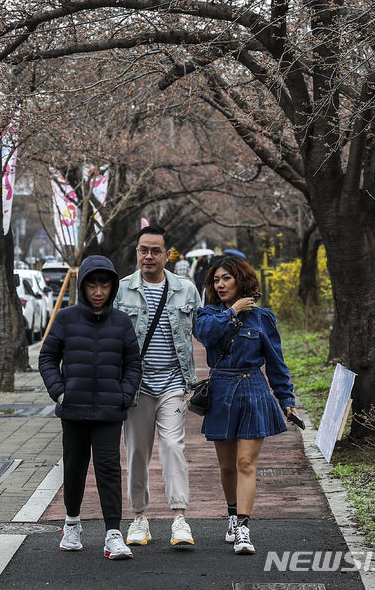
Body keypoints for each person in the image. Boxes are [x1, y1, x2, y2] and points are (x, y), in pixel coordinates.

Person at [39, 255, 142, 559]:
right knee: (74, 466)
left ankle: (113, 533)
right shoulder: (66, 318)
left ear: (112, 287)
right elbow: (46, 357)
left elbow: (133, 364)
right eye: (93, 285)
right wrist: (60, 392)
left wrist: (124, 394)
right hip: (74, 408)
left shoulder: (122, 321)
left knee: (109, 468)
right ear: (83, 286)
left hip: (110, 409)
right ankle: (72, 524)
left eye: (105, 285)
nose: (99, 292)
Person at [195, 255, 298, 555]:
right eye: (216, 279)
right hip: (221, 390)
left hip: (253, 389)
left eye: (227, 278)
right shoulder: (208, 315)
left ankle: (243, 527)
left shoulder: (263, 318)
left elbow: (276, 363)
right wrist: (233, 312)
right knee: (227, 466)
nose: (221, 284)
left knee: (245, 464)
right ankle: (231, 515)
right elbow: (205, 335)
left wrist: (286, 399)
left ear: (241, 279)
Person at [115, 224, 199, 548]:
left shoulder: (186, 290)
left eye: (155, 251)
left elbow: (202, 328)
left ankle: (179, 518)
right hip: (136, 386)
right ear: (137, 252)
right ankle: (139, 517)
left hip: (174, 383)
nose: (148, 256)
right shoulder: (122, 291)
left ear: (167, 255)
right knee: (137, 452)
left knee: (173, 447)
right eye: (143, 250)